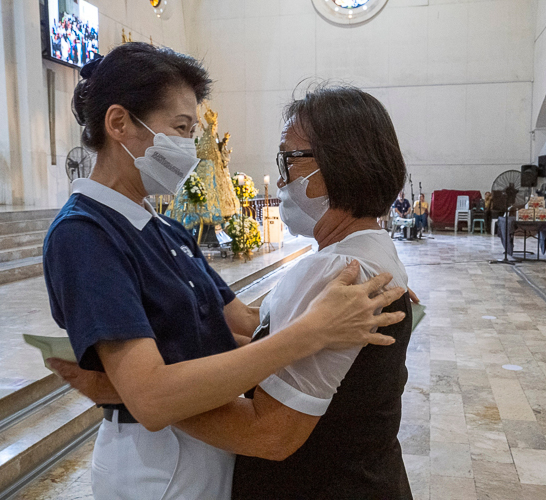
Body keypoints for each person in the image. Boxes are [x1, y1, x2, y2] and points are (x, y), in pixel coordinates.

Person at [43, 43, 405, 500]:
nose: (191, 148)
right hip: (160, 466)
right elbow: (151, 398)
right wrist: (311, 329)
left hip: (215, 444)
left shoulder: (167, 230)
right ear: (119, 124)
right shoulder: (86, 234)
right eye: (180, 128)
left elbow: (245, 327)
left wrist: (369, 282)